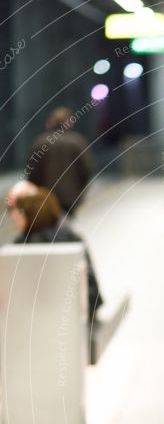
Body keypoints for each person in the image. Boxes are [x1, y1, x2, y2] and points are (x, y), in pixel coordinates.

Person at [10, 188, 103, 320]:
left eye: (19, 211)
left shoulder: (26, 245)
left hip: (43, 319)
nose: (14, 216)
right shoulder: (72, 236)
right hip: (83, 313)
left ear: (33, 214)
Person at [26, 107, 93, 214]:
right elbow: (86, 170)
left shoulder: (39, 143)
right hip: (70, 197)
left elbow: (32, 174)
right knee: (65, 227)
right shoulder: (78, 142)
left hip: (46, 198)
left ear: (51, 122)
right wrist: (79, 193)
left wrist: (38, 194)